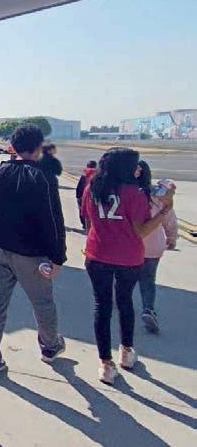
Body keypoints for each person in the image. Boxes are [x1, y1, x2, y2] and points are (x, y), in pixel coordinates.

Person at [0, 124, 67, 380]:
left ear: (13, 147)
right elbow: (53, 219)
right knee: (42, 302)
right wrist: (57, 256)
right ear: (39, 147)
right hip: (31, 254)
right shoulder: (43, 177)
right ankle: (49, 346)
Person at [82, 149, 173, 384]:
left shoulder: (93, 188)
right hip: (128, 256)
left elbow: (88, 221)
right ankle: (126, 350)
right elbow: (141, 230)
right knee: (125, 303)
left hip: (98, 253)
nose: (138, 169)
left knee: (102, 306)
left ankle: (105, 363)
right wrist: (165, 210)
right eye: (135, 165)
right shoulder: (133, 193)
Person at [134, 161, 177, 334]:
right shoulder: (158, 196)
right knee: (148, 279)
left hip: (132, 244)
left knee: (124, 277)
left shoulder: (129, 195)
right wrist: (171, 238)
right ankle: (148, 308)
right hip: (154, 245)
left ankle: (117, 299)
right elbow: (170, 219)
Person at [76, 160, 98, 229]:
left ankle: (84, 224)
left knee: (83, 211)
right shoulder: (97, 175)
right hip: (93, 196)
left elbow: (79, 187)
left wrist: (78, 197)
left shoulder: (84, 175)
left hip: (83, 196)